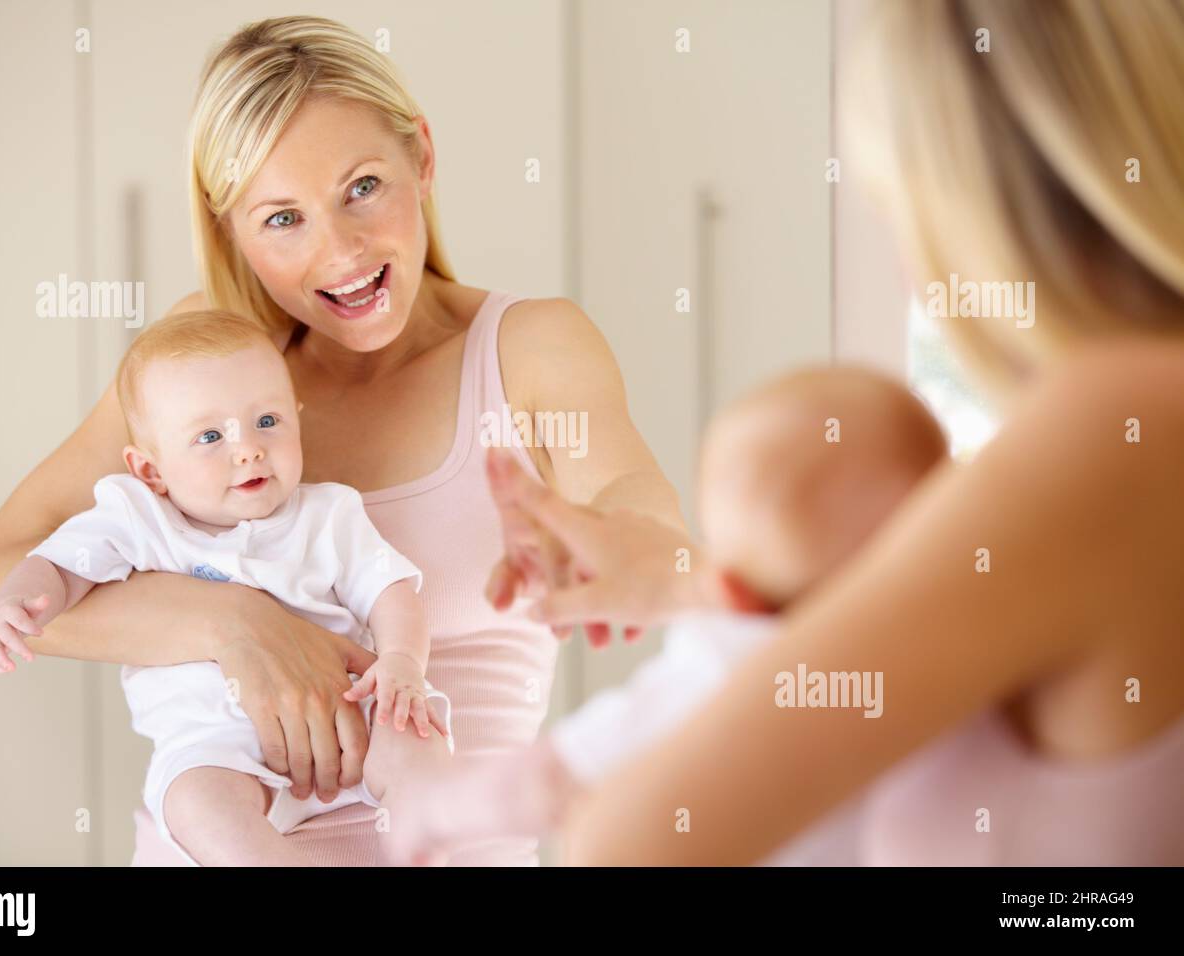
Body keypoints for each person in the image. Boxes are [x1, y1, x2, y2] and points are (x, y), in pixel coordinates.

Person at [0, 15, 686, 866]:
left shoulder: (527, 347)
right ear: (232, 232)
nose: (341, 251)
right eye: (282, 218)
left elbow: (637, 503)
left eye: (363, 186)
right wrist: (232, 622)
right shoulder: (207, 368)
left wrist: (626, 547)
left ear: (423, 158)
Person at [482, 0, 1184, 866]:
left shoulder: (1116, 420)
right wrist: (708, 587)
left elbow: (631, 842)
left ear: (973, 198)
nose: (910, 266)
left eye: (898, 205)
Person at [381, 367, 947, 865]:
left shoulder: (727, 664)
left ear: (727, 590)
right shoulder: (962, 663)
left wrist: (431, 805)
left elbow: (546, 783)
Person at [0, 310, 454, 866]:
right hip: (214, 745)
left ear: (297, 420)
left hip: (348, 717)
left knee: (416, 734)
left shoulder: (329, 514)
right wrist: (19, 599)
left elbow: (389, 589)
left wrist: (402, 660)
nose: (248, 449)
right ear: (151, 470)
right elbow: (60, 566)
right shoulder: (136, 517)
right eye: (210, 436)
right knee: (194, 804)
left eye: (268, 421)